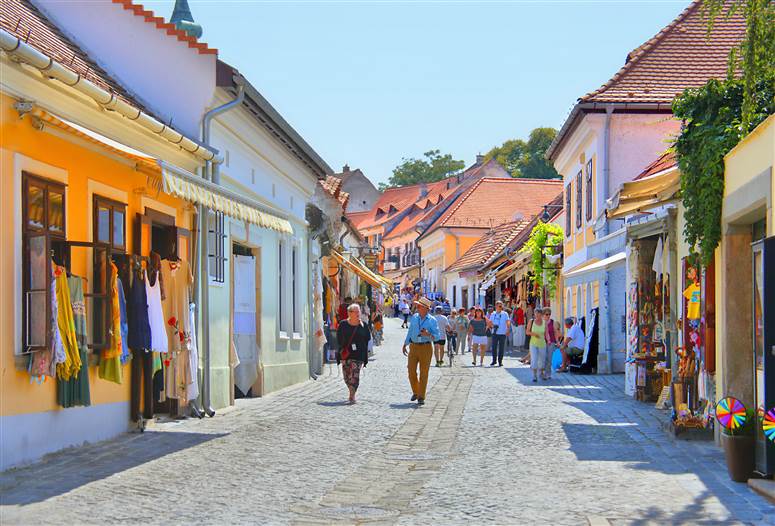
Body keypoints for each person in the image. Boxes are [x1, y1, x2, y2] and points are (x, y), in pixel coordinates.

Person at [402, 297, 441, 406]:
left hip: (426, 347)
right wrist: (405, 344)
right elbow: (410, 331)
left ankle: (421, 396)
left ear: (425, 308)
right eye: (417, 305)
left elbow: (437, 336)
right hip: (413, 346)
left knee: (424, 373)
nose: (417, 307)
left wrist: (428, 334)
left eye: (419, 306)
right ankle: (416, 391)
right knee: (411, 371)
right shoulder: (414, 317)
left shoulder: (432, 320)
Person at [336, 303, 371, 404]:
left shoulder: (363, 325)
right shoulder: (343, 324)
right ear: (349, 313)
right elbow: (338, 338)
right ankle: (351, 390)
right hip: (346, 354)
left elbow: (368, 338)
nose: (357, 313)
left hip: (359, 354)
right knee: (347, 376)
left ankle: (352, 395)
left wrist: (363, 348)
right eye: (355, 311)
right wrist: (342, 349)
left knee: (355, 375)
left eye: (358, 311)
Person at [526, 308, 547, 382]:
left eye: (539, 314)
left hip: (542, 343)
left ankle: (541, 373)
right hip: (533, 343)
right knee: (534, 359)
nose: (537, 316)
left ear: (541, 315)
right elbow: (527, 332)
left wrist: (549, 341)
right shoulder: (531, 322)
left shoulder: (544, 322)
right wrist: (534, 334)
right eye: (536, 314)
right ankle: (534, 375)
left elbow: (546, 333)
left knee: (542, 360)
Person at [488, 301, 511, 367]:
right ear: (496, 306)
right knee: (494, 347)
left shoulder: (505, 314)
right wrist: (493, 326)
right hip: (495, 333)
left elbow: (508, 322)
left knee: (501, 348)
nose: (501, 307)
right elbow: (490, 322)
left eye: (501, 306)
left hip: (502, 333)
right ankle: (494, 360)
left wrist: (508, 329)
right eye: (499, 306)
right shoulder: (493, 314)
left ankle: (500, 361)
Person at [542, 308, 561, 380]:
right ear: (543, 315)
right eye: (546, 314)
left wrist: (557, 341)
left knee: (549, 358)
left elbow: (556, 333)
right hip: (542, 342)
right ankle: (543, 371)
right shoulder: (540, 322)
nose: (548, 316)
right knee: (543, 357)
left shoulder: (553, 322)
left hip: (551, 342)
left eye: (549, 314)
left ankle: (548, 373)